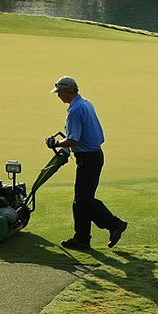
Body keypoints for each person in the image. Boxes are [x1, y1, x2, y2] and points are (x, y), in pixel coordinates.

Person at [47, 76, 128, 250]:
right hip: (94, 155)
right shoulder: (85, 103)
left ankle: (114, 224)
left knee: (83, 200)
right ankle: (82, 238)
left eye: (60, 92)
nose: (58, 96)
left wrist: (56, 144)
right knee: (81, 200)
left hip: (88, 159)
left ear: (68, 90)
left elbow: (73, 140)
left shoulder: (75, 110)